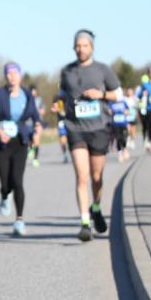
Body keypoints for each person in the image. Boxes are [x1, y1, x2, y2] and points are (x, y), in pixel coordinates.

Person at [59, 29, 121, 242]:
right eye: (77, 45)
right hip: (75, 128)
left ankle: (96, 207)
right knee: (81, 176)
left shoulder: (103, 70)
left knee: (96, 177)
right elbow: (62, 95)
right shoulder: (66, 71)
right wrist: (58, 105)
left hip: (99, 127)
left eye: (84, 45)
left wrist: (101, 94)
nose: (80, 49)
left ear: (91, 47)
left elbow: (118, 94)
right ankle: (85, 223)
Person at [0, 62, 44, 236]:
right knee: (5, 182)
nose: (12, 76)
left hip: (20, 141)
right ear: (5, 76)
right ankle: (4, 196)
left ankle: (19, 220)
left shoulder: (27, 94)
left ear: (20, 75)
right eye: (8, 74)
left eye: (15, 73)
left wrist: (38, 128)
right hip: (1, 143)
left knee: (17, 180)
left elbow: (35, 116)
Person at [109, 94, 130, 162]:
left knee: (124, 138)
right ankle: (120, 153)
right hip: (115, 124)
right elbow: (109, 112)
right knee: (118, 138)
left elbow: (127, 110)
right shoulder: (110, 103)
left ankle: (125, 149)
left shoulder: (123, 102)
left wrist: (125, 112)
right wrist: (111, 112)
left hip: (123, 123)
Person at [27, 85, 45, 167]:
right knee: (29, 141)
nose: (33, 93)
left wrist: (40, 112)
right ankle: (30, 149)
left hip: (37, 123)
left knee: (36, 140)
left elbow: (43, 110)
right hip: (27, 123)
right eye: (32, 91)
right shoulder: (25, 99)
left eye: (35, 91)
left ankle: (35, 159)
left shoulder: (39, 100)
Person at [50, 95, 70, 163]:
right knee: (63, 140)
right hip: (61, 122)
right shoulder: (57, 98)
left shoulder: (70, 95)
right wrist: (55, 109)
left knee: (71, 139)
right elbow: (52, 109)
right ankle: (65, 155)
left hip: (71, 121)